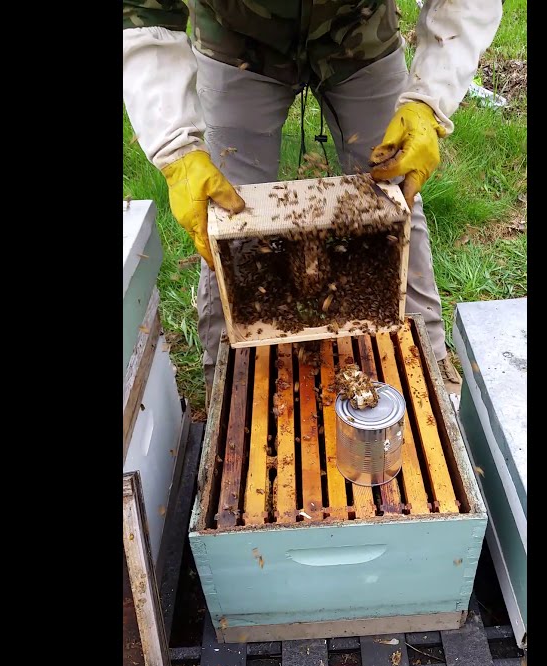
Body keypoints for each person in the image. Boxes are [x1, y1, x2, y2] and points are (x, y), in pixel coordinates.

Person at [123, 0, 502, 397]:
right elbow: (140, 10)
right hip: (237, 39)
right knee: (223, 217)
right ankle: (229, 386)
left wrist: (428, 100)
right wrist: (177, 150)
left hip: (359, 32)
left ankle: (428, 369)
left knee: (396, 193)